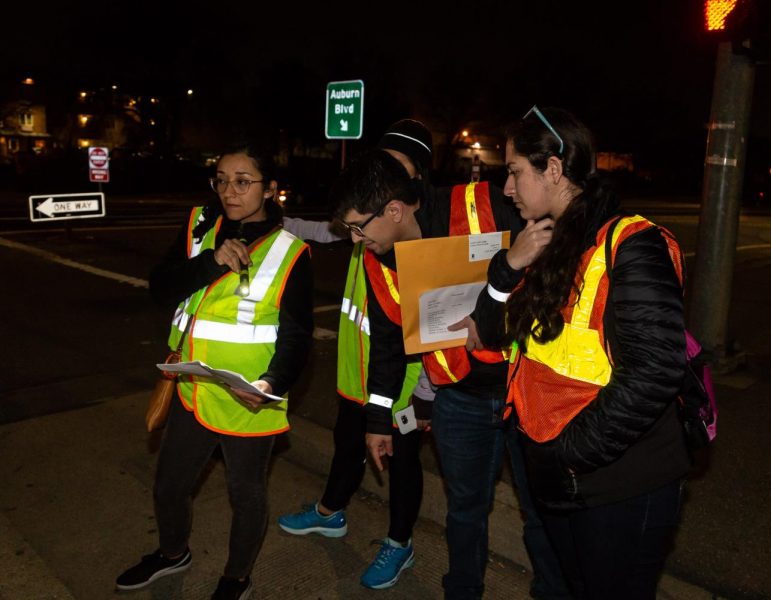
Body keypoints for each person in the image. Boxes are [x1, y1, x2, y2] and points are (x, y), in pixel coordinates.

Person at [332, 144, 570, 599]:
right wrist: (379, 421)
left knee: (542, 513)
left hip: (528, 390)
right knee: (464, 510)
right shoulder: (375, 263)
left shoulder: (486, 204)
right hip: (458, 398)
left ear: (396, 209)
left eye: (358, 227)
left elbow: (562, 241)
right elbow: (385, 347)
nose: (354, 239)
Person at [475, 105, 690, 599]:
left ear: (553, 169)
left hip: (619, 484)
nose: (507, 189)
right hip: (562, 477)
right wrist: (507, 268)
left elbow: (656, 372)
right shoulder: (543, 240)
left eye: (515, 172)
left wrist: (566, 455)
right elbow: (490, 334)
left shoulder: (631, 244)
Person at [116, 141, 313, 600]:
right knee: (169, 485)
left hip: (249, 398)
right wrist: (210, 262)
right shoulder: (200, 230)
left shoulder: (291, 252)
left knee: (245, 494)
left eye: (243, 181)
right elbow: (160, 288)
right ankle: (172, 554)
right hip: (194, 387)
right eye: (221, 180)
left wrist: (271, 385)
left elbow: (298, 335)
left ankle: (236, 578)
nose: (230, 190)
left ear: (271, 190)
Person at [277, 119, 435, 591]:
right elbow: (320, 228)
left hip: (404, 382)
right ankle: (330, 511)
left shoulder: (420, 239)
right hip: (358, 370)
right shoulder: (362, 226)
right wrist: (268, 222)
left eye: (397, 167)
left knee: (403, 464)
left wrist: (425, 394)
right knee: (348, 445)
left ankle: (399, 541)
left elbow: (438, 325)